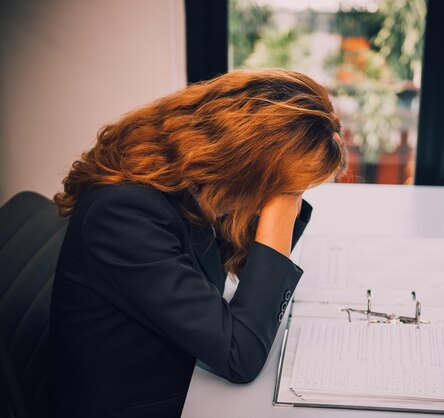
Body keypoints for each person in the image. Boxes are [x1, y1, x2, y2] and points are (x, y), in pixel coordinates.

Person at [50, 69, 347, 418]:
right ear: (246, 163)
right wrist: (282, 207)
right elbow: (241, 356)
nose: (281, 199)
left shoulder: (186, 174)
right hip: (138, 402)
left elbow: (237, 268)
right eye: (285, 188)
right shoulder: (124, 214)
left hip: (180, 374)